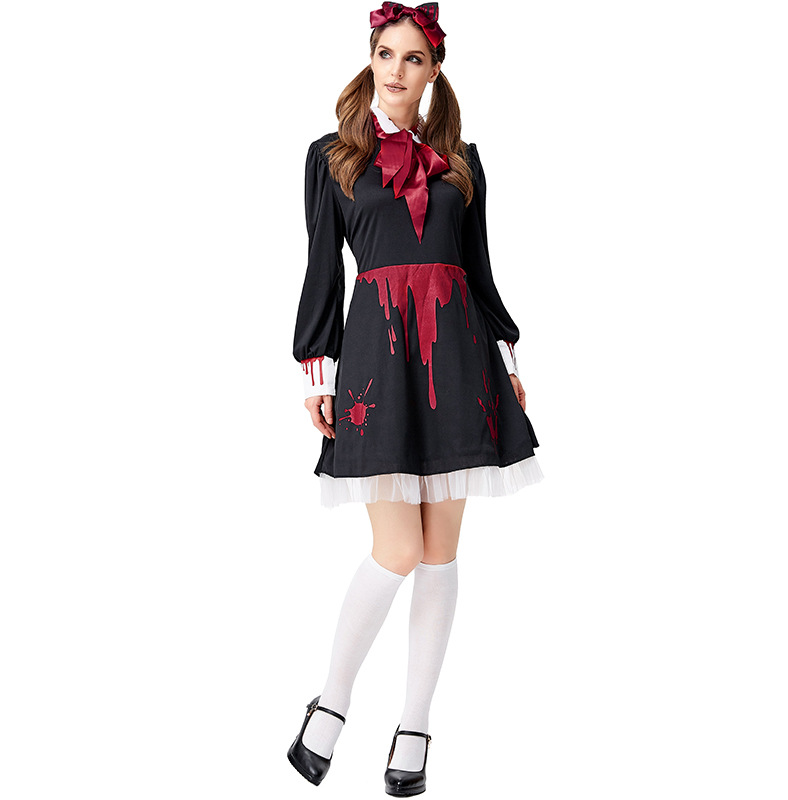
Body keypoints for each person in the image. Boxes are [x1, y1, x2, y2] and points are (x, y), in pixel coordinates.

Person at [287, 3, 544, 795]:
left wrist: (506, 357)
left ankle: (415, 724)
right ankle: (333, 701)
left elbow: (479, 269)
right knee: (395, 549)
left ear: (434, 71)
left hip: (458, 356)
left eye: (412, 58)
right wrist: (318, 373)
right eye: (385, 54)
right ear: (370, 59)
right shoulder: (333, 157)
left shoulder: (461, 160)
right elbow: (322, 271)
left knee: (439, 551)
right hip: (378, 359)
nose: (395, 70)